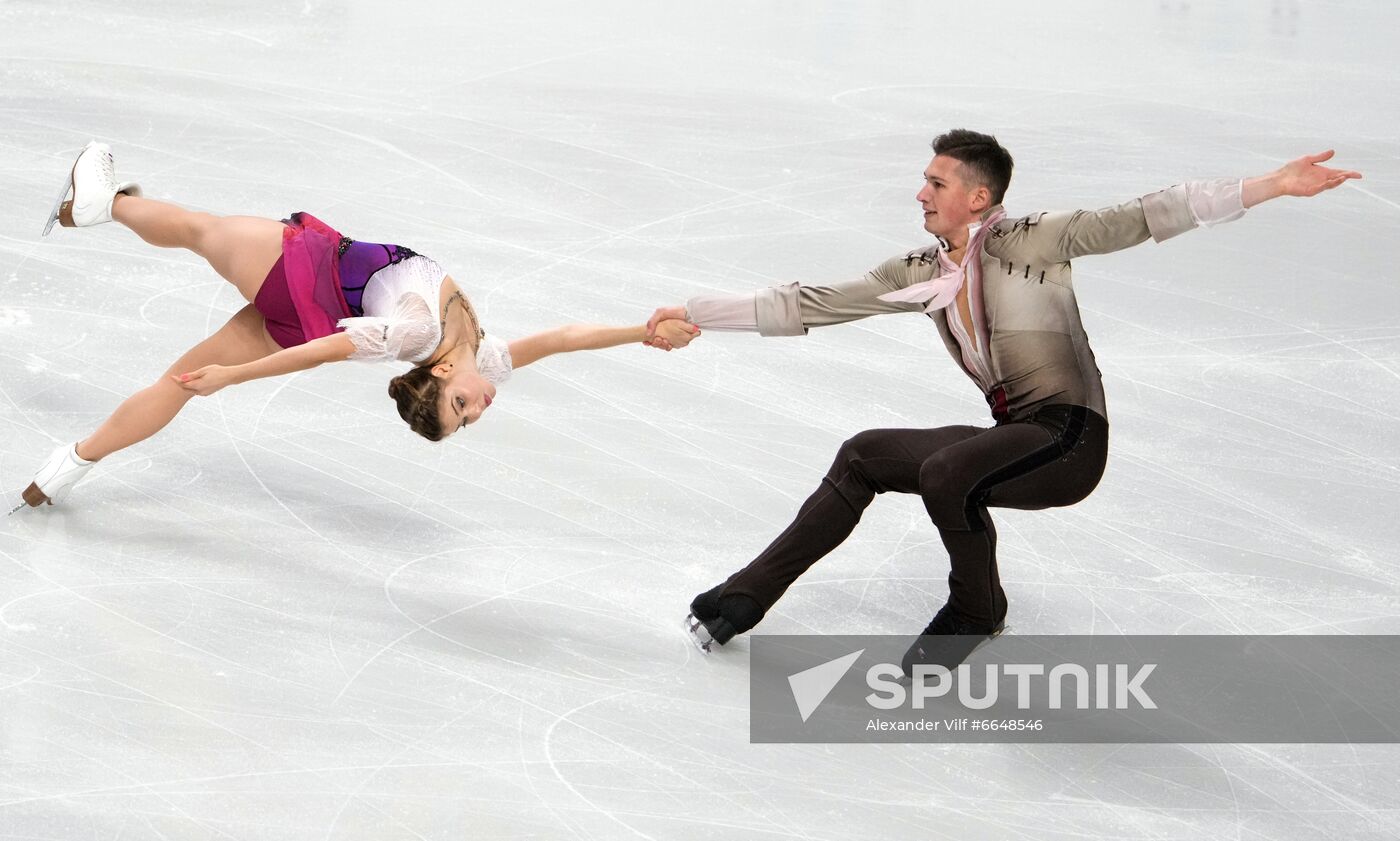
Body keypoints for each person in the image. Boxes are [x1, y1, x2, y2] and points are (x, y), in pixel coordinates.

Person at [645, 129, 1360, 671]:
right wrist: (699, 312)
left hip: (1070, 440)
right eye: (923, 182)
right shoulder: (921, 270)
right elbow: (814, 303)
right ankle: (746, 594)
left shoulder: (1034, 240)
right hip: (1013, 434)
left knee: (947, 472)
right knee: (864, 455)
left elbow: (1145, 215)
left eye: (935, 183)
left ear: (978, 197)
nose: (920, 194)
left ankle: (976, 607)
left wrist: (1269, 184)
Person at [21, 142, 700, 509]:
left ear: (436, 373)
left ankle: (97, 202)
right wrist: (637, 331)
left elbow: (320, 353)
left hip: (301, 275)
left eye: (459, 409)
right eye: (470, 416)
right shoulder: (483, 359)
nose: (478, 407)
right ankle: (67, 468)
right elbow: (559, 339)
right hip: (296, 314)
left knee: (202, 230)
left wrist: (234, 376)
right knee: (178, 381)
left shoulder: (411, 334)